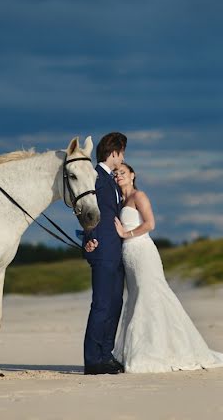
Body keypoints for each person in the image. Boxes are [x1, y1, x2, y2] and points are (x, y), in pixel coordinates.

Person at [110, 162, 223, 373]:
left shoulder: (138, 196)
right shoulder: (119, 199)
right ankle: (141, 350)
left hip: (143, 252)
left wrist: (126, 234)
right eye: (116, 174)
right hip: (129, 255)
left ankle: (153, 352)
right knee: (136, 298)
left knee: (150, 296)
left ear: (133, 175)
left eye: (123, 172)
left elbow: (150, 224)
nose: (118, 176)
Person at [82, 131, 127, 375]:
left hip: (117, 249)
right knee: (101, 305)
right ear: (114, 152)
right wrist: (89, 239)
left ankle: (106, 355)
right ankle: (92, 360)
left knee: (115, 304)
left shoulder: (112, 179)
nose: (123, 158)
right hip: (102, 247)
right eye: (122, 153)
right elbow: (86, 211)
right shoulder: (95, 176)